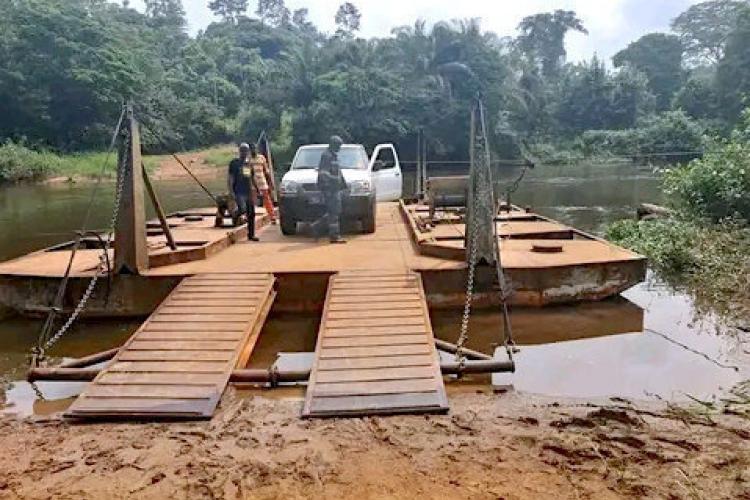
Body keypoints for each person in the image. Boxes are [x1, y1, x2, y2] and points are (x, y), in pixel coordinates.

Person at [313, 135, 348, 244]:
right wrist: (331, 183)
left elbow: (338, 172)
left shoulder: (334, 156)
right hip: (330, 189)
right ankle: (334, 236)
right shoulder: (326, 156)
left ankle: (316, 226)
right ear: (333, 144)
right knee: (334, 212)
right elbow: (323, 173)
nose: (340, 148)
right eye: (338, 145)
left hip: (336, 188)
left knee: (335, 211)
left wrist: (343, 185)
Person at [227, 143, 259, 241]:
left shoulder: (248, 164)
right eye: (243, 150)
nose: (244, 152)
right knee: (242, 209)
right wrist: (231, 191)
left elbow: (251, 177)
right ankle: (235, 215)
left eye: (246, 150)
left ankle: (251, 235)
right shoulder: (234, 163)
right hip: (238, 191)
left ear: (248, 152)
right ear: (239, 151)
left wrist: (257, 189)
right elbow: (230, 178)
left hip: (248, 191)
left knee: (251, 213)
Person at [248, 143, 277, 224]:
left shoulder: (261, 158)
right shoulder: (248, 160)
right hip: (252, 183)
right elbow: (247, 174)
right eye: (252, 149)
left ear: (256, 149)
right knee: (252, 201)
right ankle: (251, 219)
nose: (253, 150)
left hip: (262, 181)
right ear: (250, 151)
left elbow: (266, 171)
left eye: (254, 149)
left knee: (267, 199)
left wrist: (270, 183)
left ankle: (272, 217)